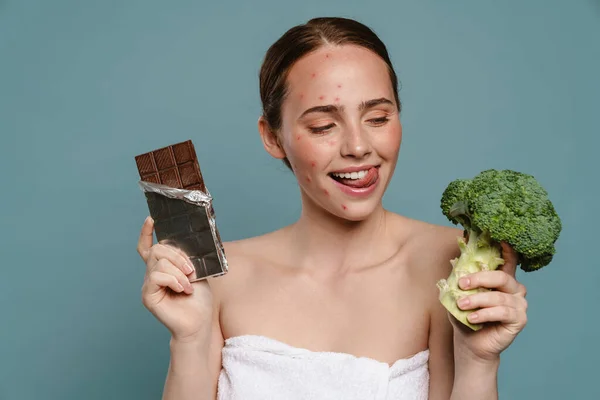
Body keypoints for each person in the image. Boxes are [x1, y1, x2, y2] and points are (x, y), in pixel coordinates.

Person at [136, 17, 529, 400]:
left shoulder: (454, 265)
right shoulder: (219, 279)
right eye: (324, 126)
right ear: (273, 138)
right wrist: (188, 340)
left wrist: (479, 362)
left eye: (377, 117)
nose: (358, 146)